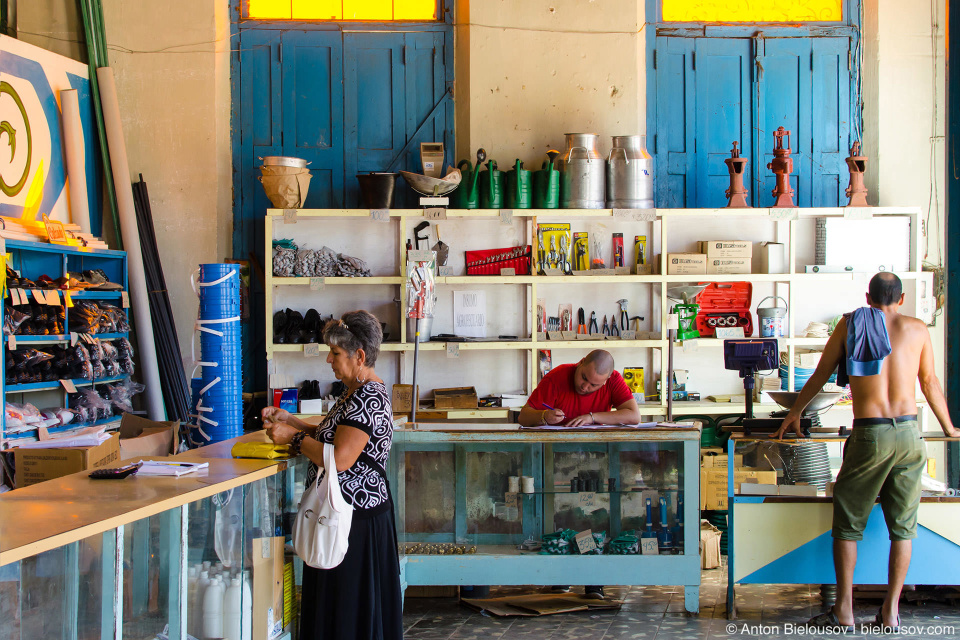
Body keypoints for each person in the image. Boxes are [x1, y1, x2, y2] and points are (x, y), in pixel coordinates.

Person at [773, 273, 957, 632]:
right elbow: (930, 382)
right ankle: (890, 613)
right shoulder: (918, 329)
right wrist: (950, 428)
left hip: (871, 434)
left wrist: (794, 412)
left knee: (847, 527)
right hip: (909, 433)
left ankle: (843, 611)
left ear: (867, 297)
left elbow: (821, 373)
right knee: (903, 530)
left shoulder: (850, 323)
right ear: (901, 298)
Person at [263, 310, 402, 640]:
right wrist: (293, 421)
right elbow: (334, 436)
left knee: (347, 609)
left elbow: (340, 458)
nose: (329, 359)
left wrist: (293, 439)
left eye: (336, 353)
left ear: (359, 356)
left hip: (356, 521)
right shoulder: (353, 391)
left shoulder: (367, 396)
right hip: (344, 515)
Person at [520, 350, 641, 599]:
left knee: (594, 520)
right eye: (584, 378)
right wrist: (544, 416)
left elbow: (633, 415)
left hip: (597, 464)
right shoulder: (557, 377)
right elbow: (523, 415)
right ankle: (562, 575)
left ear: (606, 381)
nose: (585, 386)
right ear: (581, 362)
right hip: (558, 463)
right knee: (562, 517)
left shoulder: (614, 380)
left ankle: (592, 579)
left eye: (594, 385)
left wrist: (593, 417)